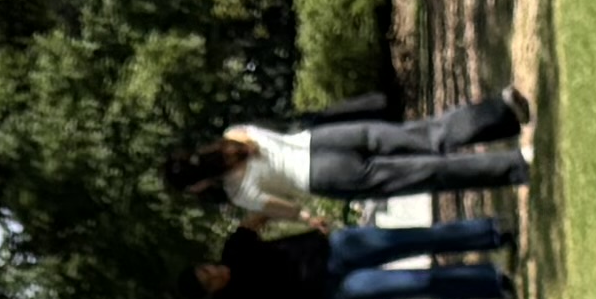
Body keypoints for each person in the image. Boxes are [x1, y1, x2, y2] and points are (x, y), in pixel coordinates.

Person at [165, 95, 533, 214]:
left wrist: (306, 217)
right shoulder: (235, 135)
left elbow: (290, 209)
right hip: (323, 139)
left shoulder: (238, 193)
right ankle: (502, 112)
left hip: (324, 175)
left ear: (197, 187)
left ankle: (516, 164)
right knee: (424, 133)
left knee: (430, 173)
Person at [195, 221, 519, 299]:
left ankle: (492, 233)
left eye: (208, 269)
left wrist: (300, 214)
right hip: (333, 292)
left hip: (335, 247)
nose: (216, 273)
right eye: (210, 282)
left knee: (417, 239)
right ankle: (493, 282)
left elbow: (258, 217)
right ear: (211, 294)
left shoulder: (234, 248)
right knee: (417, 283)